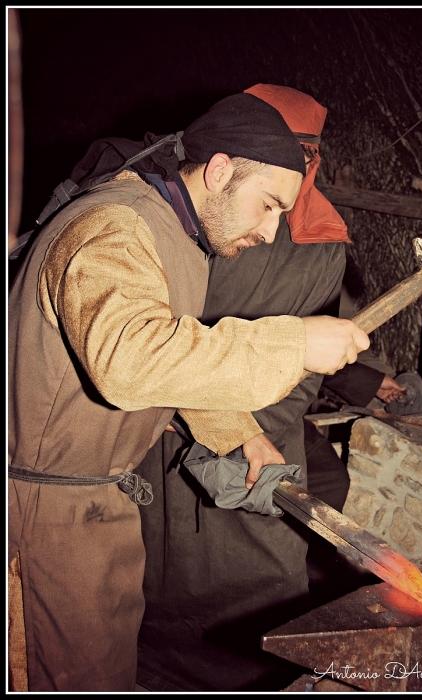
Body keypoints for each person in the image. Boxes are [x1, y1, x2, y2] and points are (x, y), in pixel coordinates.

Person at [8, 92, 371, 692]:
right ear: (221, 170)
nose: (271, 229)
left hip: (93, 508)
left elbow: (174, 356)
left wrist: (241, 433)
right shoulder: (114, 227)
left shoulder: (180, 236)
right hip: (40, 519)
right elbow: (128, 359)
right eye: (268, 206)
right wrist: (293, 345)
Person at [135, 85, 405, 692]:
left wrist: (362, 378)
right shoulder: (203, 217)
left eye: (307, 153)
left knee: (252, 567)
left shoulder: (314, 240)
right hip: (172, 413)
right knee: (165, 565)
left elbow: (317, 342)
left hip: (259, 428)